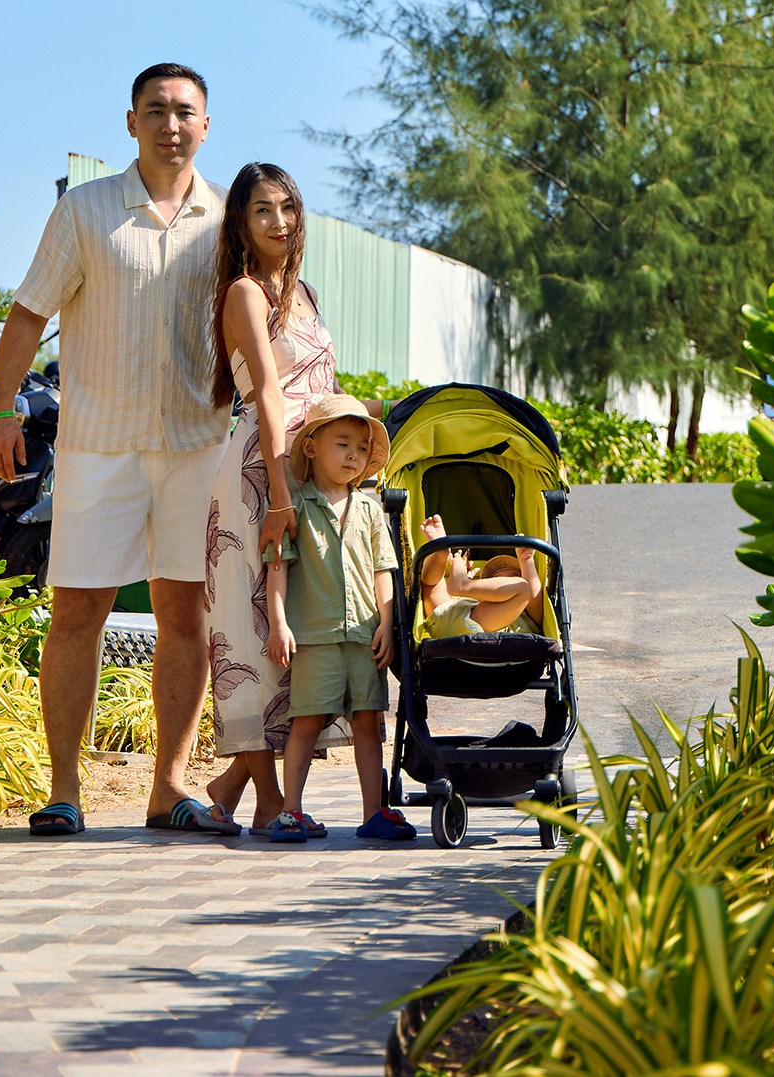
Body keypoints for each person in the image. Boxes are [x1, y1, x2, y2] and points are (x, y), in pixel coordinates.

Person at [0, 63, 237, 839]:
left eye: (185, 111)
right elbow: (29, 313)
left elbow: (262, 320)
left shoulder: (229, 219)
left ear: (206, 125)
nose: (170, 123)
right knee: (77, 610)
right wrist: (0, 410)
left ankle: (168, 787)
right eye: (155, 109)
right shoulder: (86, 211)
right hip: (98, 447)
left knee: (185, 612)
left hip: (197, 445)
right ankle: (64, 791)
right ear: (131, 122)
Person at [194, 162, 373, 833]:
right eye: (262, 210)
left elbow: (327, 391)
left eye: (288, 207)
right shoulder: (244, 293)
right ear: (241, 224)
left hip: (314, 469)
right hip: (259, 474)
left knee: (309, 629)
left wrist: (350, 463)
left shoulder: (308, 295)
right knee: (256, 632)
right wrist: (277, 492)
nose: (278, 221)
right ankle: (270, 802)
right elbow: (269, 393)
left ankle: (229, 787)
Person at [258, 396, 416, 844]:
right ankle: (291, 811)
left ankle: (373, 812)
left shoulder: (369, 509)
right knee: (307, 720)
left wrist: (386, 622)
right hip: (314, 637)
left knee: (368, 721)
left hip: (365, 635)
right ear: (311, 448)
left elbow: (383, 569)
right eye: (343, 444)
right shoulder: (295, 507)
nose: (353, 456)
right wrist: (278, 623)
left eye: (362, 449)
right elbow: (278, 567)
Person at [415, 516, 543, 638]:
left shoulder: (527, 613)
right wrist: (462, 592)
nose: (505, 578)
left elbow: (534, 597)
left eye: (512, 576)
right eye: (496, 579)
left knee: (523, 588)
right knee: (431, 585)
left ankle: (462, 583)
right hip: (457, 620)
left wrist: (526, 560)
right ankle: (440, 555)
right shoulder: (473, 603)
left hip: (472, 627)